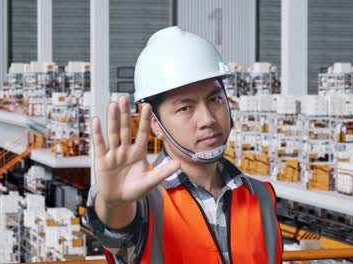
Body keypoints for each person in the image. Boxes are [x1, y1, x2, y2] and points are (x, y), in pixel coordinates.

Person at [86, 26, 283, 264]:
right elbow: (115, 225)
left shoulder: (261, 196)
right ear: (156, 125)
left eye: (215, 99)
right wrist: (113, 202)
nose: (208, 119)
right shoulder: (144, 203)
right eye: (185, 108)